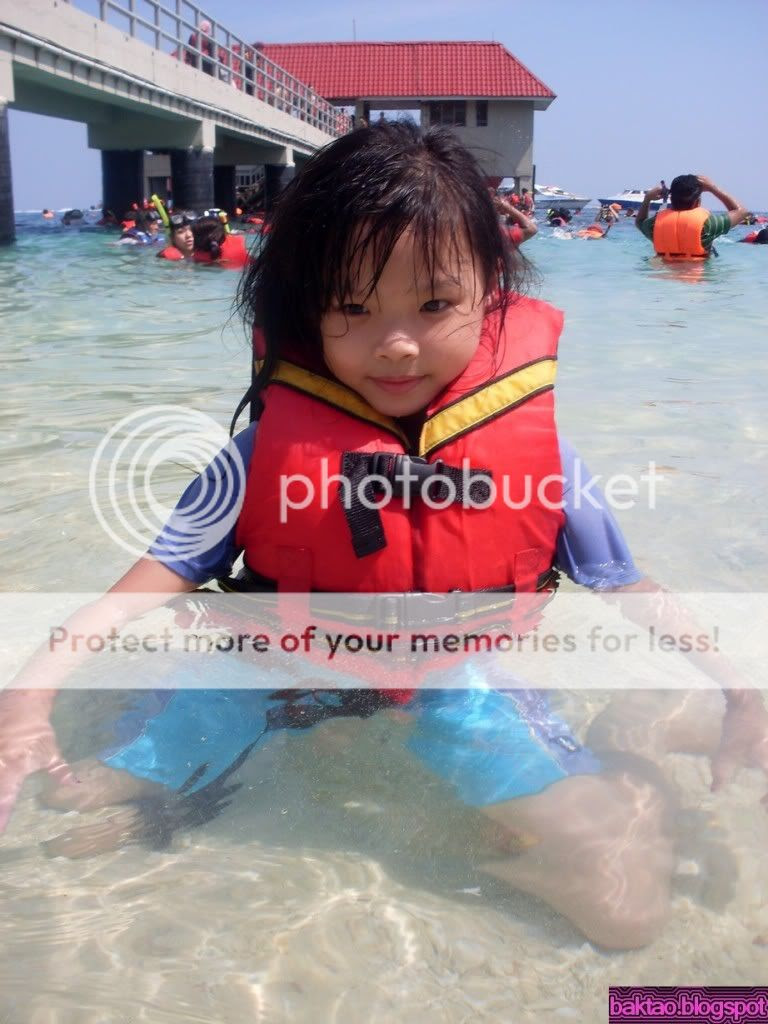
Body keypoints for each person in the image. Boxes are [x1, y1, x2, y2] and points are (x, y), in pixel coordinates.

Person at [2, 123, 766, 951]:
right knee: (68, 798)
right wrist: (30, 699)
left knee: (624, 911)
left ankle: (641, 729)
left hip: (451, 682)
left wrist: (740, 692)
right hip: (277, 673)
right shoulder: (260, 456)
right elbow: (137, 590)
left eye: (434, 305)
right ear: (307, 310)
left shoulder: (542, 455)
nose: (396, 345)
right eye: (353, 309)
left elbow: (629, 588)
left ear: (491, 293)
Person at [636, 174, 747, 260]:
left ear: (671, 198)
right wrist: (713, 188)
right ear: (697, 201)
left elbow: (639, 222)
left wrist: (647, 199)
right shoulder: (708, 225)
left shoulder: (654, 225)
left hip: (663, 276)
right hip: (698, 279)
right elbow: (741, 212)